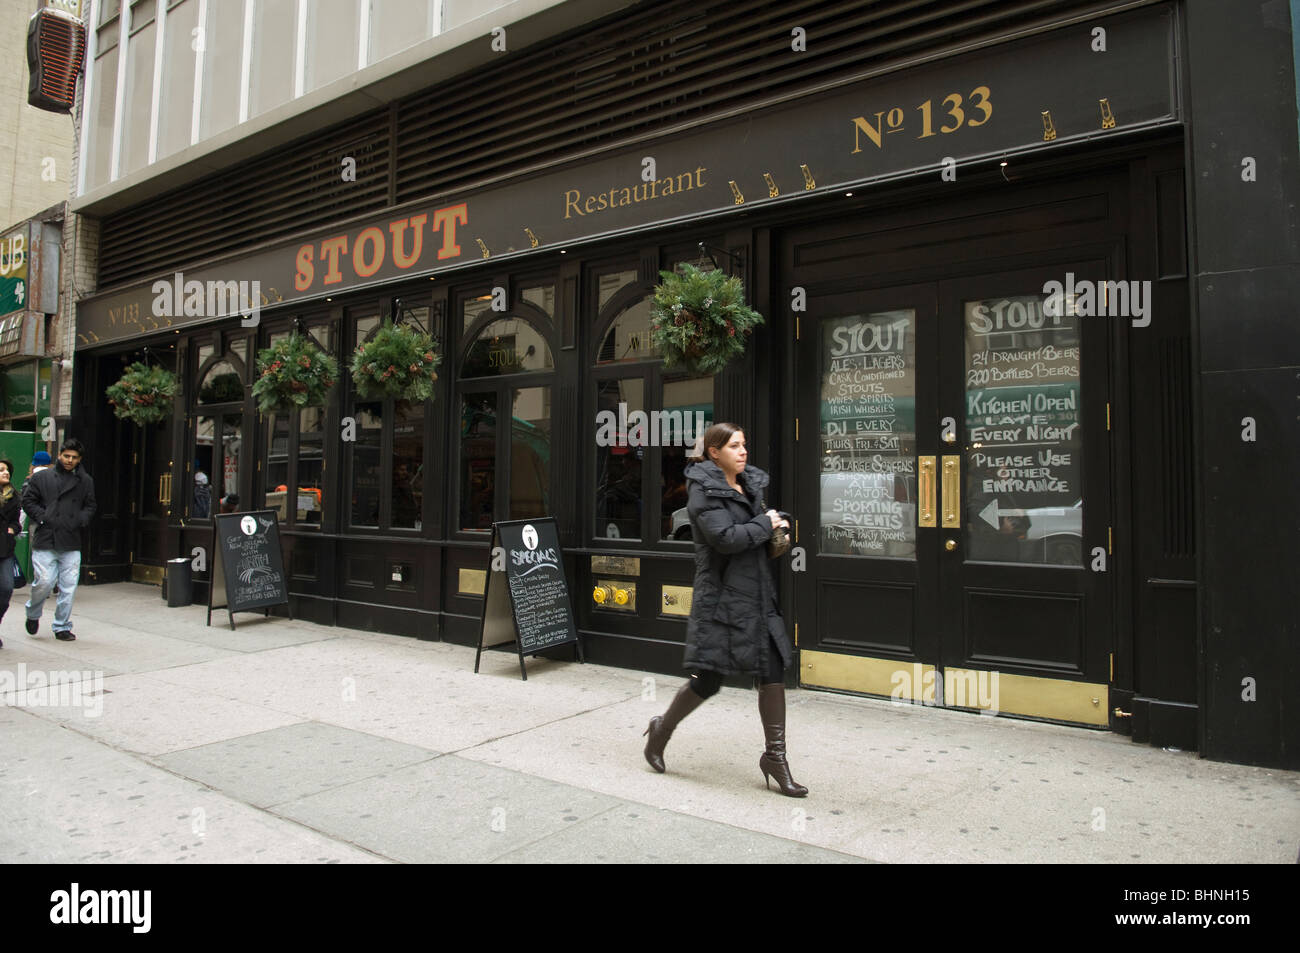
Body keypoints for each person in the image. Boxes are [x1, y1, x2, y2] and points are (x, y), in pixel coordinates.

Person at [641, 422, 806, 797]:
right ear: (714, 452)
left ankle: (775, 758)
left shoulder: (749, 487)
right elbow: (726, 539)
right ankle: (661, 730)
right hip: (722, 601)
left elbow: (754, 533)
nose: (743, 451)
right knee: (708, 680)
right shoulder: (703, 492)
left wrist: (778, 526)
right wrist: (765, 523)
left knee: (772, 670)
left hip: (759, 595)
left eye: (744, 444)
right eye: (734, 446)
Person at [22, 438, 95, 642]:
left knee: (69, 586)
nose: (69, 460)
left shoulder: (86, 481)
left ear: (80, 459)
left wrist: (81, 519)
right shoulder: (43, 477)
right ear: (59, 455)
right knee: (44, 582)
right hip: (46, 537)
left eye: (74, 457)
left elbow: (90, 505)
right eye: (66, 456)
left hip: (71, 539)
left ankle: (62, 625)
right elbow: (27, 500)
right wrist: (43, 517)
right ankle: (33, 613)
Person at [0, 459, 25, 648]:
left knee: (7, 588)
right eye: (1, 470)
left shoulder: (14, 497)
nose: (6, 473)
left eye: (7, 470)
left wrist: (12, 529)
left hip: (5, 550)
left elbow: (17, 522)